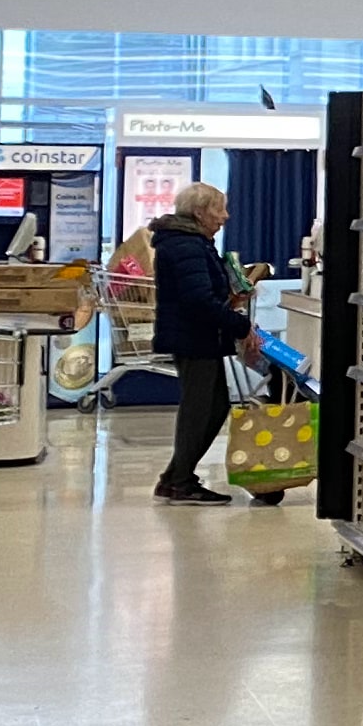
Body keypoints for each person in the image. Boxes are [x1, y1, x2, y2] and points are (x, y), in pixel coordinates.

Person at [147, 186, 260, 504]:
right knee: (200, 410)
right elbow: (198, 299)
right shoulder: (188, 246)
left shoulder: (192, 242)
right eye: (219, 209)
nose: (225, 216)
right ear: (199, 212)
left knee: (214, 405)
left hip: (198, 336)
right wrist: (239, 325)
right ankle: (180, 481)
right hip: (194, 337)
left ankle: (175, 477)